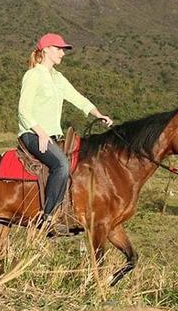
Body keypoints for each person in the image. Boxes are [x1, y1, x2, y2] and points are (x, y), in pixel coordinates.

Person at [18, 33, 113, 225]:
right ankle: (47, 217)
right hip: (32, 134)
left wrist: (98, 114)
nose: (62, 52)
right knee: (61, 164)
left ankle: (72, 210)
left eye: (63, 49)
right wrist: (40, 132)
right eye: (58, 48)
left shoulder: (57, 77)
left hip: (53, 135)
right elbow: (23, 110)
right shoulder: (33, 75)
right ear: (45, 50)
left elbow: (77, 98)